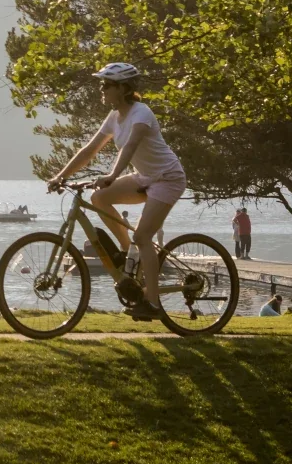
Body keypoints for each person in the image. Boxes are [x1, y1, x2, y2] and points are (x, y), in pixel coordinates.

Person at [45, 62, 187, 320]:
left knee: (143, 237)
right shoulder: (114, 117)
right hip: (145, 177)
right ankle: (128, 255)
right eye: (102, 84)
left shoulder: (141, 113)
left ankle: (153, 304)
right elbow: (90, 150)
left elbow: (130, 146)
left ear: (123, 88)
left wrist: (112, 175)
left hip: (168, 179)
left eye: (107, 85)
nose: (102, 89)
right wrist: (61, 176)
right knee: (98, 197)